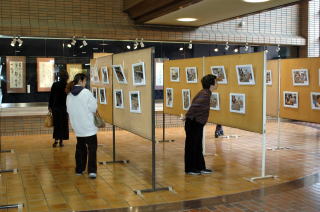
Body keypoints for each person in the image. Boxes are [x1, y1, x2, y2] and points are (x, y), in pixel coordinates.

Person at [66, 73, 98, 179]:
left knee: (80, 148)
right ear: (80, 81)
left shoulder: (69, 95)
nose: (85, 83)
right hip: (88, 127)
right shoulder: (86, 93)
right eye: (85, 81)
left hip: (78, 127)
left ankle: (79, 169)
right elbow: (94, 108)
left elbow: (68, 110)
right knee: (92, 149)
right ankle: (92, 171)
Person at [184, 74, 218, 175]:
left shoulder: (205, 92)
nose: (217, 84)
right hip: (193, 123)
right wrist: (187, 116)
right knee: (192, 146)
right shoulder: (205, 94)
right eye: (216, 82)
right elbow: (194, 106)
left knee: (198, 146)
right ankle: (190, 169)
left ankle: (200, 167)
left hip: (196, 122)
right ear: (211, 84)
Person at [48, 69, 69, 147]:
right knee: (63, 124)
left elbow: (51, 97)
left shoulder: (55, 84)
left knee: (57, 124)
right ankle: (61, 141)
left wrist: (49, 106)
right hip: (65, 108)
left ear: (59, 76)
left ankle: (56, 140)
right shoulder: (67, 85)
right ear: (67, 77)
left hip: (56, 107)